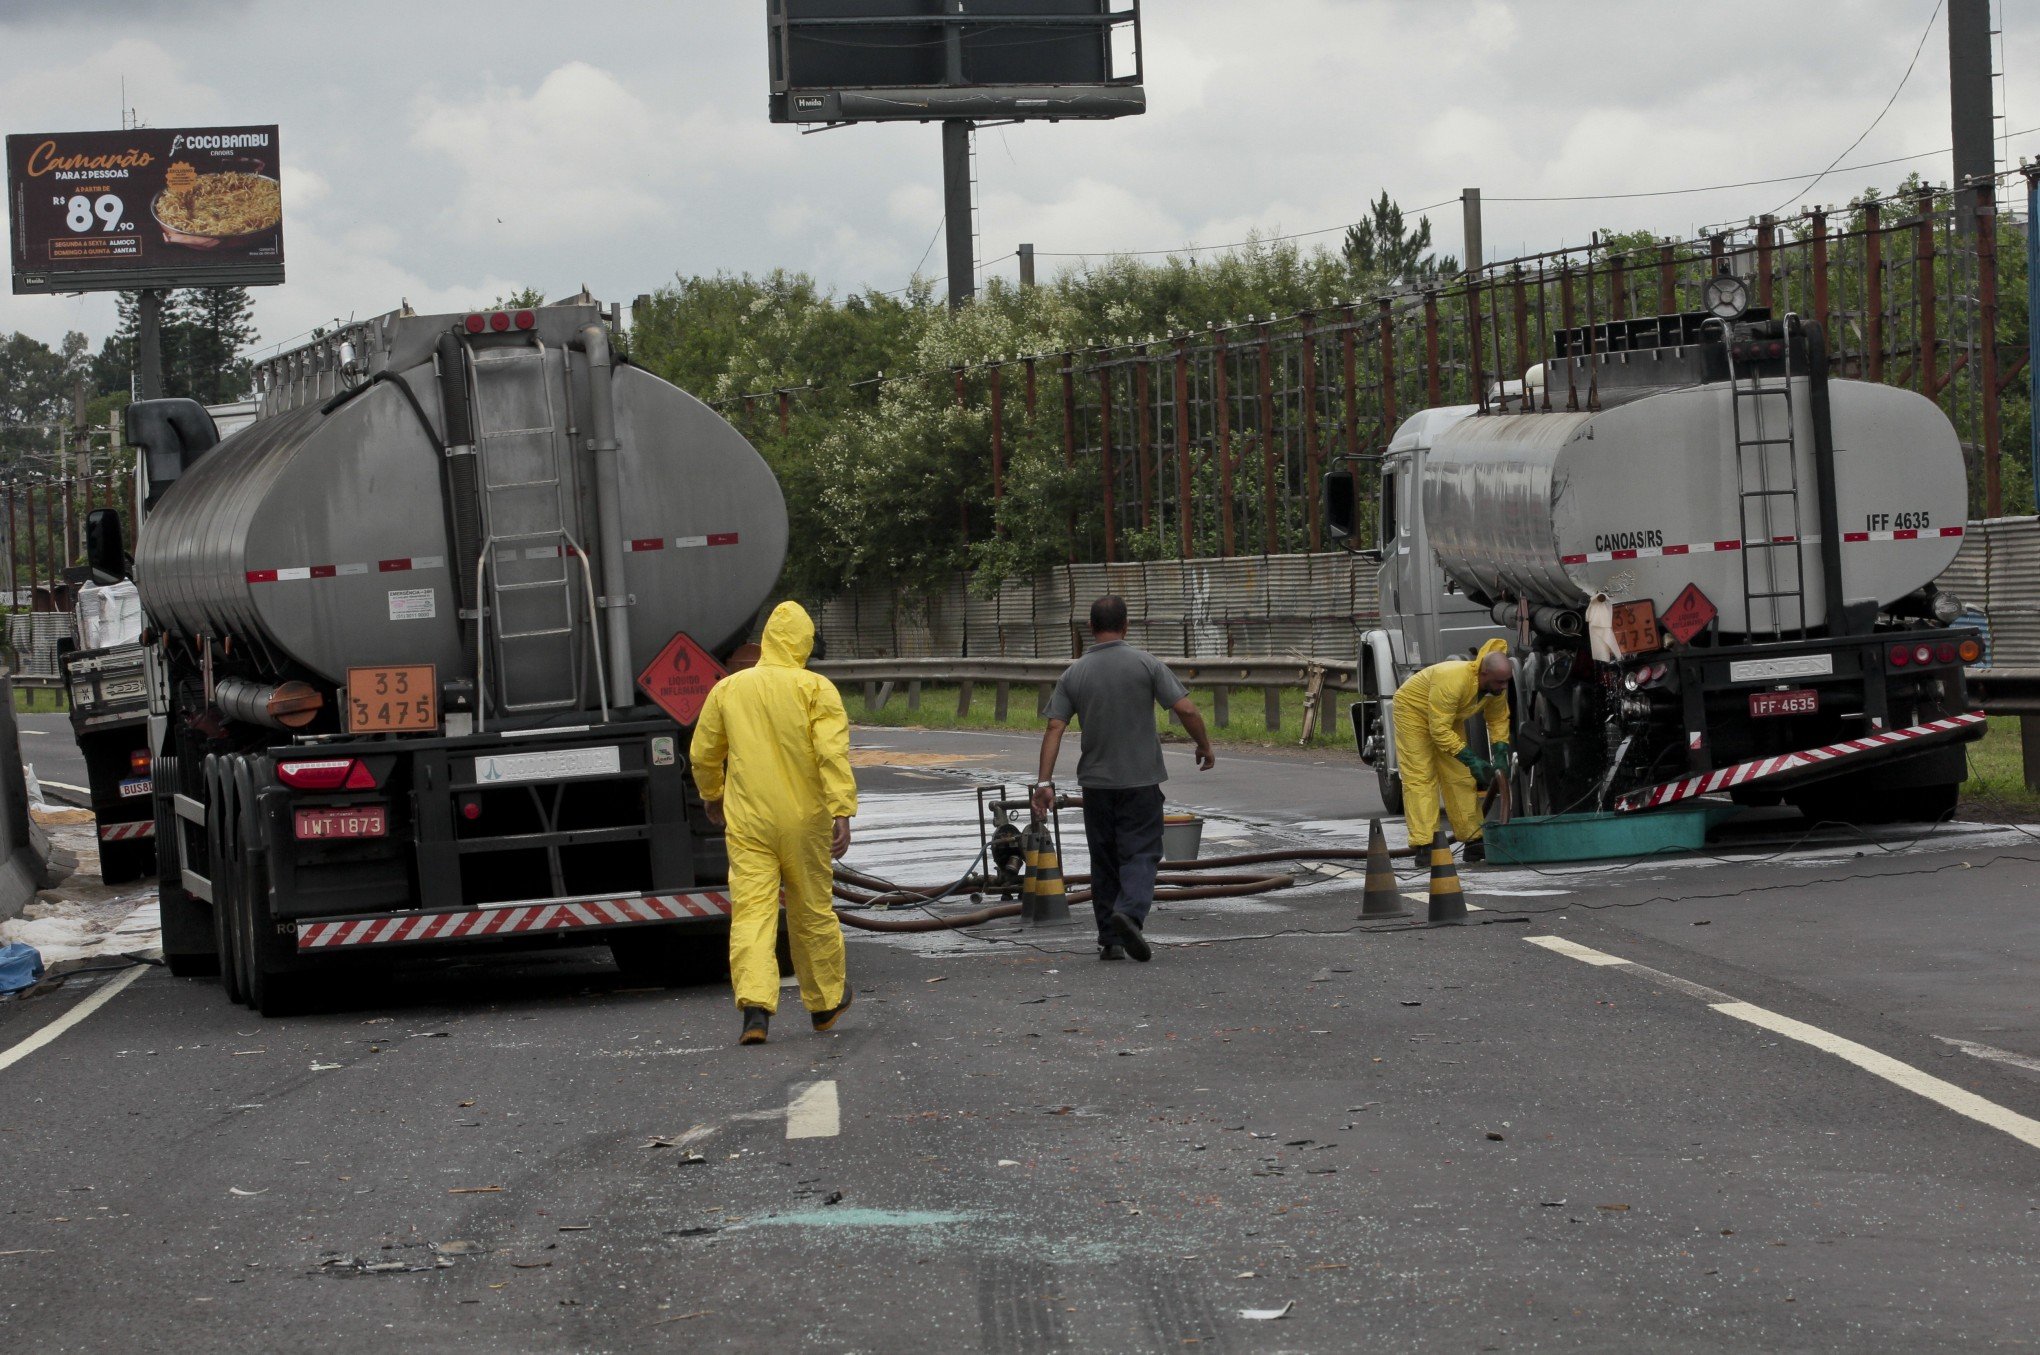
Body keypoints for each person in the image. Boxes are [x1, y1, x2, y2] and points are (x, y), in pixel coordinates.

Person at [689, 601, 857, 1046]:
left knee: (752, 912)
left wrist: (712, 795)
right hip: (805, 821)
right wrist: (842, 809)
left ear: (765, 641)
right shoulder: (816, 688)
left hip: (749, 821)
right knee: (812, 910)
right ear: (802, 642)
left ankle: (756, 1012)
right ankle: (824, 1004)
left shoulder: (729, 690)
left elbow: (704, 752)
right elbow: (831, 754)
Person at [1032, 596, 1216, 962]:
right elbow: (1186, 708)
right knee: (1142, 853)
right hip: (1140, 782)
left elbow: (1055, 726)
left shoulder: (1074, 673)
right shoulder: (1146, 664)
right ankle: (1130, 913)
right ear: (1126, 625)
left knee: (1104, 860)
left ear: (1090, 628)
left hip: (1096, 786)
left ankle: (1109, 939)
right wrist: (1204, 746)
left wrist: (1044, 783)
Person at [1391, 637, 1513, 863]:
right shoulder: (1453, 680)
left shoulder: (1494, 687)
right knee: (1420, 777)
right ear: (1484, 674)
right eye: (1500, 682)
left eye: (1506, 682)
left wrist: (1500, 753)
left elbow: (1497, 720)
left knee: (1460, 777)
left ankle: (1473, 840)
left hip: (1447, 716)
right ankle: (1425, 845)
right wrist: (1472, 759)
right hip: (1413, 711)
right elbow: (1438, 731)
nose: (1504, 687)